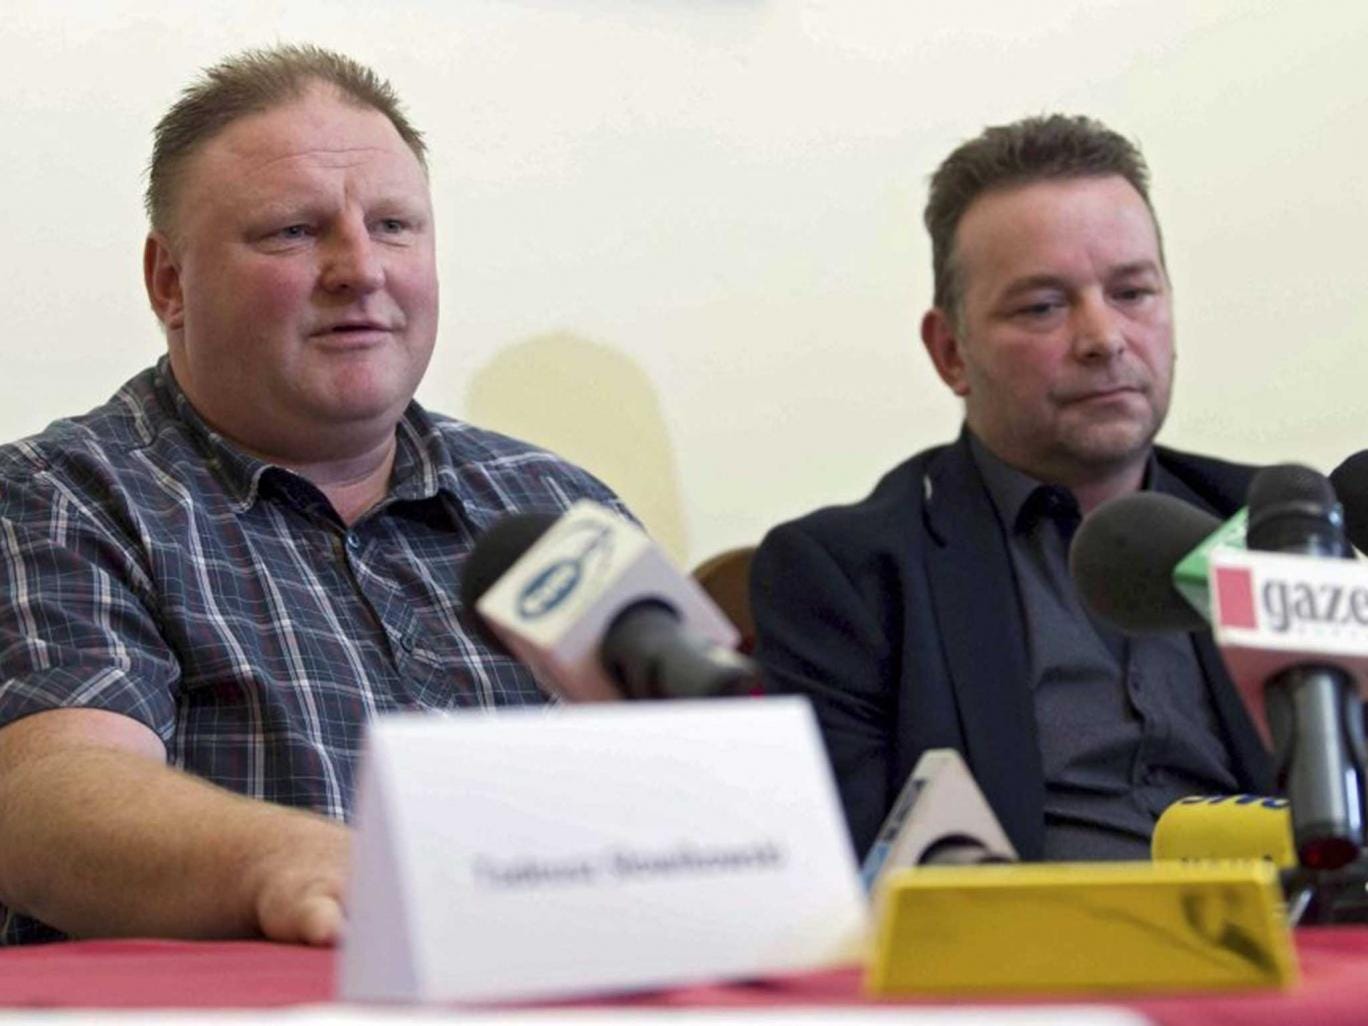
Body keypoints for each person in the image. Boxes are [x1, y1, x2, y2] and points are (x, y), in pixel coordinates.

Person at [0, 45, 627, 945]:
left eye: (394, 226)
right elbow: (48, 806)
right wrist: (301, 866)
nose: (361, 269)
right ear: (170, 283)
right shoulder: (59, 497)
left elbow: (709, 784)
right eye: (294, 231)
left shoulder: (555, 508)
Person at [750, 115, 1272, 864]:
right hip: (1031, 935)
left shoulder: (1270, 528)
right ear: (951, 352)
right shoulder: (850, 575)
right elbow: (851, 882)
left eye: (1132, 291)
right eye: (1043, 307)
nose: (1104, 338)